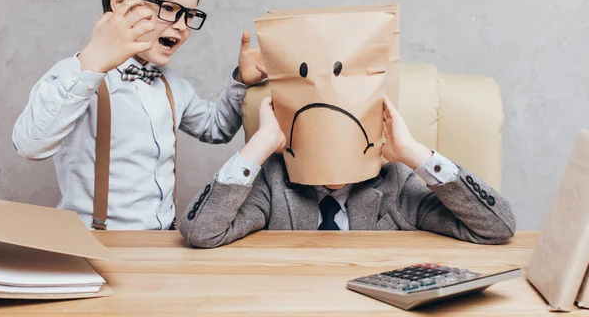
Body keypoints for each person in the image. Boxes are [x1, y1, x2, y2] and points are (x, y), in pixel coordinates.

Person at [12, 0, 266, 230]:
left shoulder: (172, 85)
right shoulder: (78, 75)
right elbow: (30, 144)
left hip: (162, 243)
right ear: (121, 3)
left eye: (190, 14)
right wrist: (91, 64)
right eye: (169, 8)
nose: (182, 26)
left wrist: (241, 81)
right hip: (96, 243)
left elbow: (215, 128)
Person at [181, 95, 516, 247]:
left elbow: (497, 227)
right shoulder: (273, 179)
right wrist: (261, 144)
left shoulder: (395, 183)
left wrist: (414, 154)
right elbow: (202, 232)